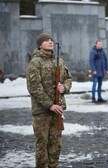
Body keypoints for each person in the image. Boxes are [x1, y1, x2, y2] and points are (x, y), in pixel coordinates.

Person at [26, 33, 72, 167]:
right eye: (46, 40)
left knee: (55, 144)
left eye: (51, 40)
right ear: (40, 45)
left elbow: (68, 78)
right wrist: (49, 105)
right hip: (42, 111)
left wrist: (65, 87)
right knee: (42, 144)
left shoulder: (60, 61)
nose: (50, 42)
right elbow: (34, 87)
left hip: (58, 109)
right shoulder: (35, 62)